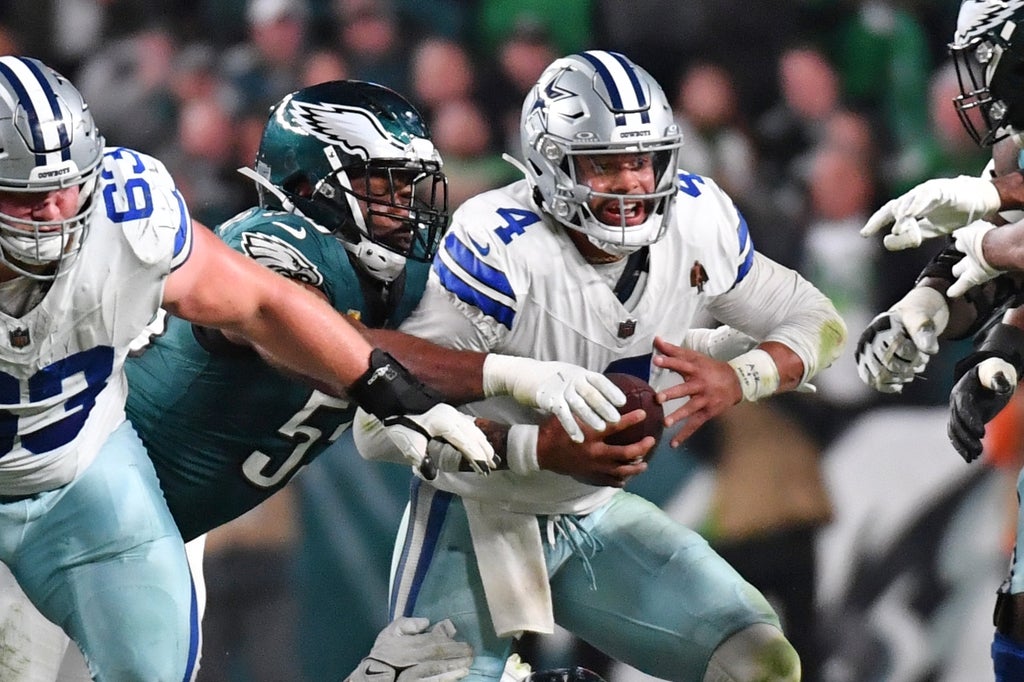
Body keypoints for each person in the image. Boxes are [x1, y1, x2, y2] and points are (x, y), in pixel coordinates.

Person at [1, 77, 633, 682]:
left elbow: (413, 417)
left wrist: (541, 440)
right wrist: (508, 372)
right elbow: (319, 346)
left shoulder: (404, 284)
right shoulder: (272, 241)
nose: (402, 206)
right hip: (59, 508)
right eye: (380, 184)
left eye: (410, 187)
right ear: (309, 182)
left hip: (145, 534)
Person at [353, 50, 847, 681]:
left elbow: (819, 321)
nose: (632, 183)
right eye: (604, 164)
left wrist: (741, 376)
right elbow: (376, 429)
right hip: (476, 520)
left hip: (595, 513)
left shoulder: (697, 219)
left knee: (761, 662)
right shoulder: (502, 243)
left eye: (641, 160)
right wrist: (535, 447)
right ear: (550, 162)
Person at [854, 1, 1024, 678]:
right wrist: (928, 306)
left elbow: (1000, 232)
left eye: (986, 54)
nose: (975, 77)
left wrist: (983, 235)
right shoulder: (1014, 151)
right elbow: (1003, 223)